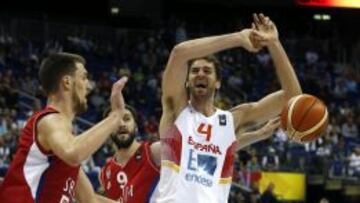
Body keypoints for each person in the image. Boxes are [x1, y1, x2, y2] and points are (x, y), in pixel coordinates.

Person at [156, 13, 302, 203]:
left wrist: (274, 44)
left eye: (207, 71)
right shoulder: (176, 111)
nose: (200, 74)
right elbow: (178, 53)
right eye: (194, 71)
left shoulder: (232, 120)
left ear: (218, 83)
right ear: (187, 82)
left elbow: (293, 98)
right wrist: (239, 38)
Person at [0, 52, 128, 203]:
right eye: (84, 77)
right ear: (67, 82)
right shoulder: (49, 120)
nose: (89, 85)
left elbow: (90, 199)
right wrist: (116, 115)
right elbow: (73, 152)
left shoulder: (63, 146)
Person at [99, 106, 161, 203]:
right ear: (107, 130)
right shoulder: (104, 174)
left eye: (127, 119)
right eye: (114, 121)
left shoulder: (154, 151)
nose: (121, 124)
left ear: (135, 126)